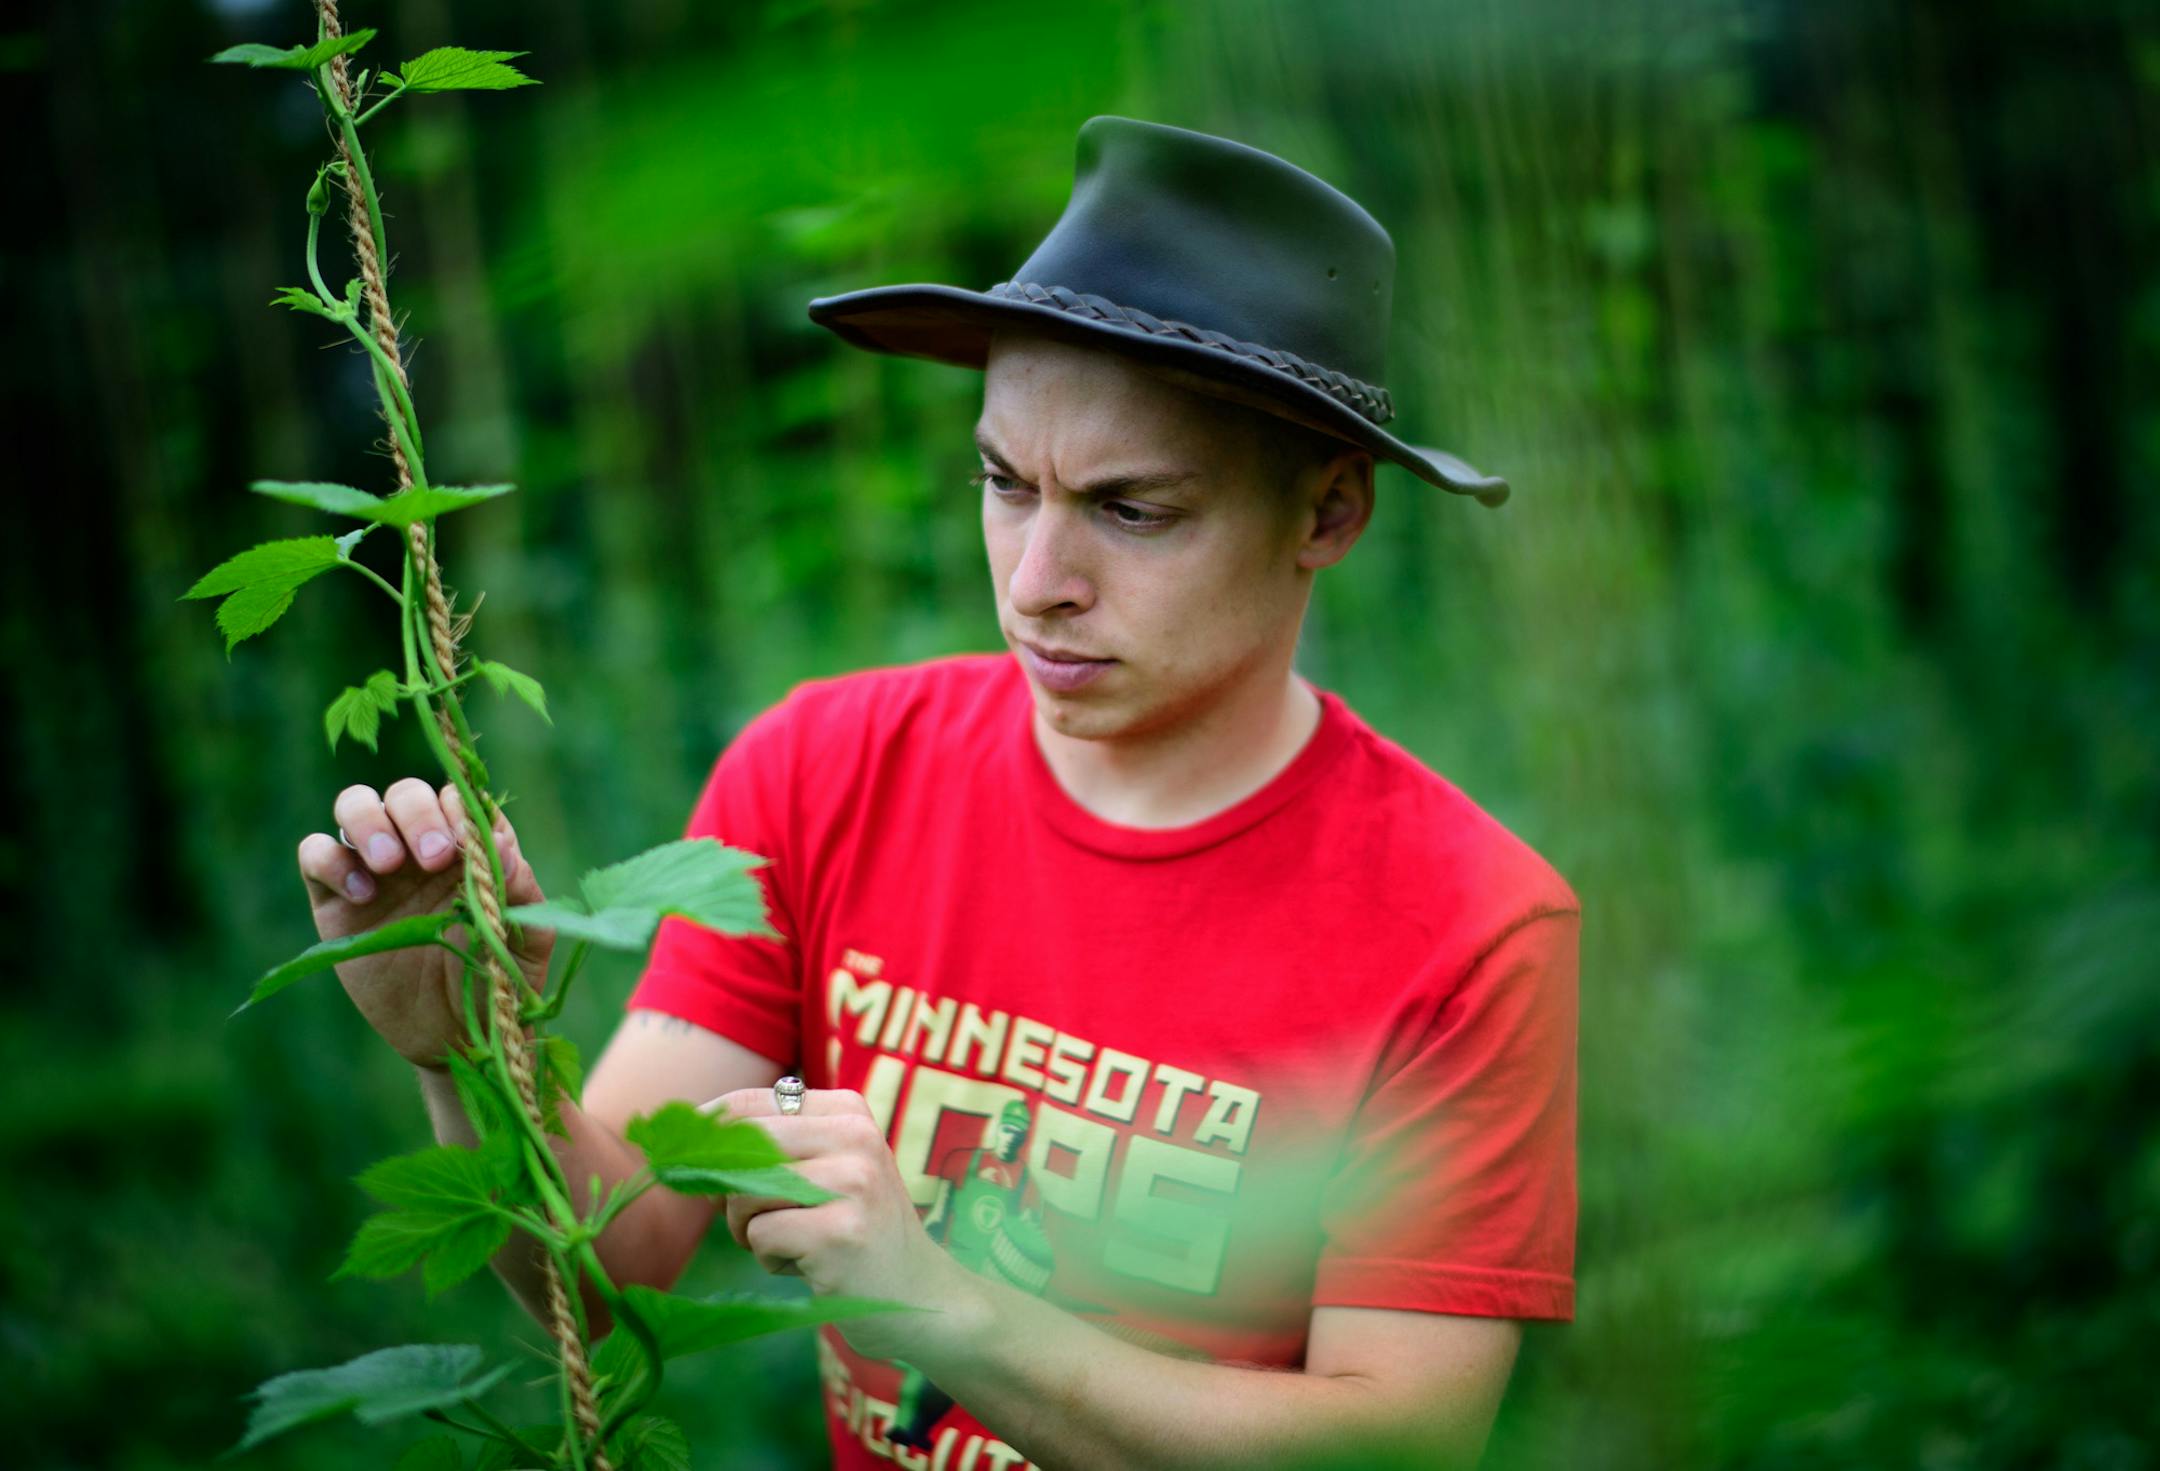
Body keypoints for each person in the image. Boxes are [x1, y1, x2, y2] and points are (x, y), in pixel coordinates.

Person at [297, 117, 1580, 1471]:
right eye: (1003, 483)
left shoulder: (1466, 924)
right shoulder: (823, 772)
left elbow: (1398, 1449)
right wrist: (472, 1058)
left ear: (1326, 514)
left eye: (1131, 509)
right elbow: (617, 1257)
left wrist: (942, 1307)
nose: (1036, 581)